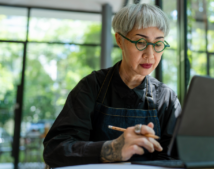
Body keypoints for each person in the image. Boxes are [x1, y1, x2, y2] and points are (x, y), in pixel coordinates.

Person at [43, 3, 181, 168]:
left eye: (158, 44)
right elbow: (55, 150)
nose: (150, 55)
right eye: (141, 42)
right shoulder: (91, 87)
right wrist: (111, 149)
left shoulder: (166, 98)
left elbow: (177, 155)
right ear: (120, 40)